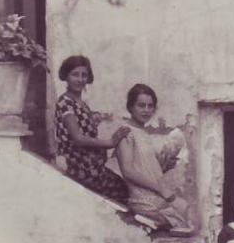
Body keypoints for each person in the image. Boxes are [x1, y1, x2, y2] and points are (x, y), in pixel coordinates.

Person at [115, 83, 191, 233]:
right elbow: (128, 171)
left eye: (150, 106)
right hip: (144, 201)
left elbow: (143, 167)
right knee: (184, 221)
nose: (146, 110)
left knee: (188, 214)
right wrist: (162, 189)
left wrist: (164, 165)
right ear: (130, 107)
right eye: (141, 105)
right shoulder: (125, 132)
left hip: (158, 198)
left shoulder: (143, 132)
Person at [54, 55, 129, 203]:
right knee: (122, 191)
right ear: (66, 76)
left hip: (92, 165)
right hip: (80, 166)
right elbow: (78, 138)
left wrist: (95, 118)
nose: (80, 79)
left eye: (84, 75)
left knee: (123, 189)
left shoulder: (81, 103)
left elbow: (82, 126)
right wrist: (110, 142)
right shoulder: (65, 103)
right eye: (75, 74)